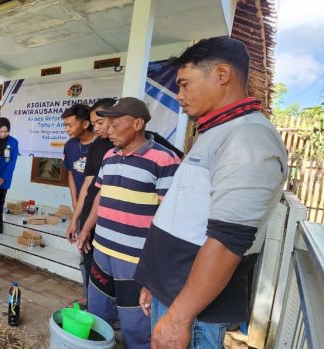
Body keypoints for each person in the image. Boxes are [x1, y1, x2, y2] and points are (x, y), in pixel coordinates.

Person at [135, 37, 287, 349]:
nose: (179, 95)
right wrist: (155, 281)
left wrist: (179, 318)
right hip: (174, 292)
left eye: (185, 84)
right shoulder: (218, 133)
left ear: (221, 74)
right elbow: (184, 215)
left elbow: (227, 241)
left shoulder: (248, 138)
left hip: (193, 311)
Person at [86, 97, 182, 349]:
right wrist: (87, 228)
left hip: (134, 260)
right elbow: (101, 194)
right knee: (96, 317)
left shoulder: (164, 160)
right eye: (107, 124)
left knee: (135, 327)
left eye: (115, 124)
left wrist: (155, 268)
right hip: (102, 251)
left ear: (138, 123)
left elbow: (170, 216)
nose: (108, 130)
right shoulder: (109, 155)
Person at [66, 98, 114, 309]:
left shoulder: (110, 145)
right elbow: (81, 180)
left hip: (108, 215)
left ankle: (105, 306)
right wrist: (76, 212)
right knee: (85, 255)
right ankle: (91, 299)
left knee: (104, 263)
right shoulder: (81, 146)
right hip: (86, 210)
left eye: (70, 125)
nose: (67, 129)